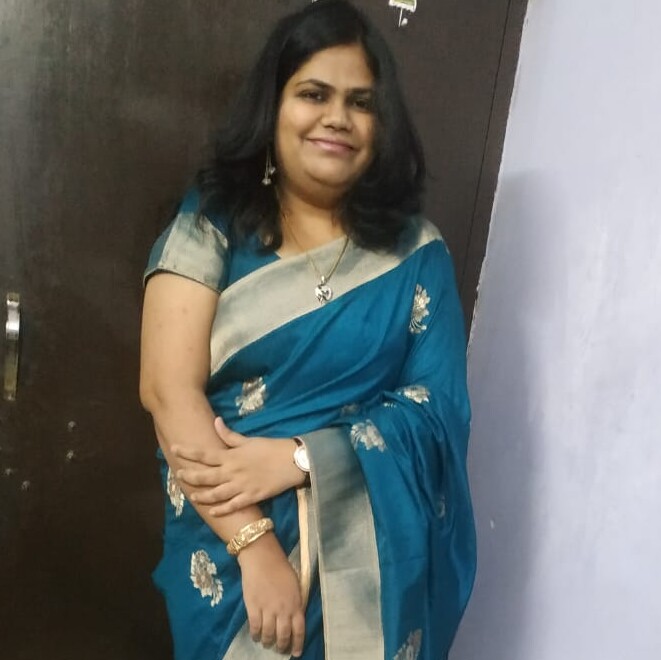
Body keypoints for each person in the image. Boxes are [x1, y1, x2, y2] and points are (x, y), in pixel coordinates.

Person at [139, 1, 476, 658]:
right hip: (231, 557)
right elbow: (167, 391)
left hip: (370, 565)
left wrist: (301, 457)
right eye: (313, 94)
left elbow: (436, 413)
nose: (337, 118)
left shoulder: (416, 255)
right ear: (274, 109)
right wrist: (254, 547)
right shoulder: (211, 224)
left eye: (360, 102)